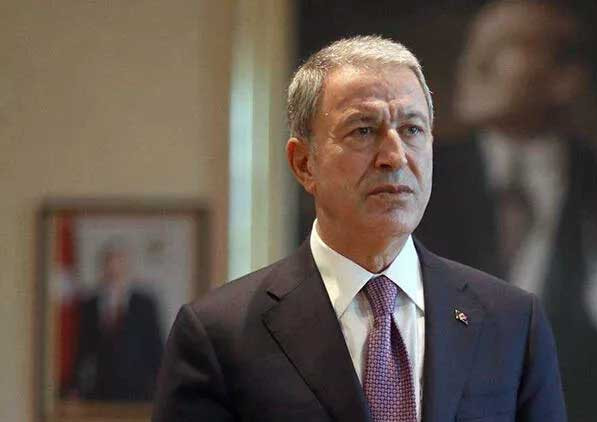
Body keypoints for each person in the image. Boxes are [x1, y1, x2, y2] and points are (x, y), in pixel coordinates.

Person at [153, 36, 566, 421]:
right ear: (304, 164)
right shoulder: (217, 334)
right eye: (363, 131)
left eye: (412, 130)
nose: (394, 156)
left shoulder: (512, 322)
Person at [416, 1, 597, 421]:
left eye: (506, 45)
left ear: (566, 78)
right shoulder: (416, 183)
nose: (475, 64)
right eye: (473, 47)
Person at [69, 240, 164, 401]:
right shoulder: (90, 304)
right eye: (110, 264)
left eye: (119, 264)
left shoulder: (145, 303)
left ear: (128, 267)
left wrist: (162, 387)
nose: (114, 270)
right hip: (100, 389)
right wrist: (75, 385)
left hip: (139, 392)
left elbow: (156, 348)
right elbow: (82, 349)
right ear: (103, 268)